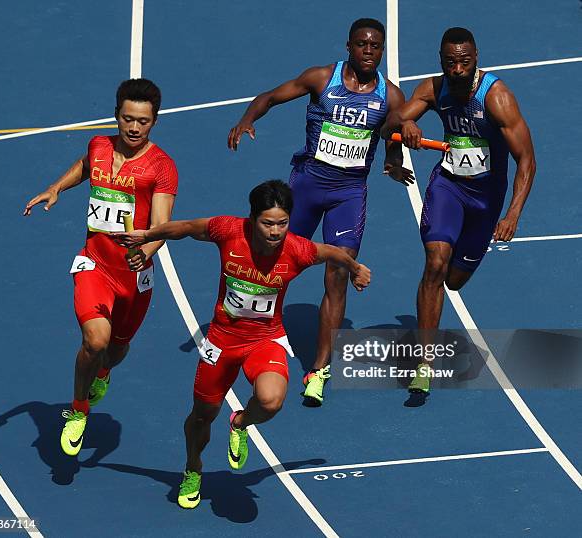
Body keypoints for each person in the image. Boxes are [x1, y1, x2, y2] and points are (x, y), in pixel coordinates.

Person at [113, 180, 371, 509]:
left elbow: (333, 252)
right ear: (252, 219)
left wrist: (355, 268)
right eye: (267, 223)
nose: (276, 231)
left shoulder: (297, 249)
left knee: (271, 401)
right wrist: (147, 235)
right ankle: (193, 468)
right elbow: (188, 228)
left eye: (282, 223)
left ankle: (240, 422)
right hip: (221, 341)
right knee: (202, 416)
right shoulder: (228, 230)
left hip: (266, 339)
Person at [227, 18, 412, 406]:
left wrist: (393, 161)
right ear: (348, 46)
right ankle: (252, 332)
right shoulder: (320, 79)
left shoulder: (390, 97)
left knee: (337, 274)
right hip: (307, 187)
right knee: (272, 259)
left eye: (375, 46)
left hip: (349, 195)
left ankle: (320, 369)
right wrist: (247, 119)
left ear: (381, 51)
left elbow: (391, 135)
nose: (368, 51)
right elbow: (271, 97)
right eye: (361, 44)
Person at [23, 79, 178, 455]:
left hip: (135, 275)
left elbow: (161, 226)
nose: (134, 127)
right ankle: (78, 409)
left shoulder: (161, 168)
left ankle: (104, 373)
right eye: (128, 118)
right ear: (117, 115)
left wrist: (147, 248)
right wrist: (57, 187)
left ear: (154, 122)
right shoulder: (99, 145)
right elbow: (84, 166)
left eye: (143, 121)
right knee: (95, 340)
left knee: (117, 347)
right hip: (95, 264)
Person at [381, 27, 535, 401]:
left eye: (465, 61)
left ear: (476, 58)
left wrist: (512, 214)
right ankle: (425, 362)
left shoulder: (496, 97)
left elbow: (526, 160)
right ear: (442, 62)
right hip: (448, 187)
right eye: (451, 62)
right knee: (435, 263)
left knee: (454, 280)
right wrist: (407, 125)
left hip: (486, 199)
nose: (458, 69)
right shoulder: (432, 89)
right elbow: (389, 124)